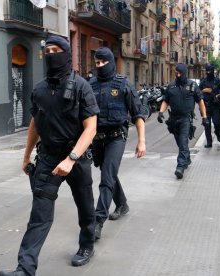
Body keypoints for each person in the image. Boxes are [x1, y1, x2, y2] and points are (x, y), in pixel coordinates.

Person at [0, 35, 100, 276]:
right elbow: (35, 123)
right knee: (39, 216)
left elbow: (91, 128)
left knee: (85, 206)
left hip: (76, 158)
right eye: (49, 50)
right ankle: (25, 269)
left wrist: (72, 158)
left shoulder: (81, 86)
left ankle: (86, 246)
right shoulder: (40, 89)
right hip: (47, 158)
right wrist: (26, 156)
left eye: (57, 50)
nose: (52, 54)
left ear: (66, 53)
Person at [89, 47, 147, 240]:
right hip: (96, 138)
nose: (100, 66)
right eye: (97, 63)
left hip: (116, 137)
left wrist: (141, 142)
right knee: (108, 172)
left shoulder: (123, 85)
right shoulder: (90, 84)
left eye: (103, 62)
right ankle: (122, 204)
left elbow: (138, 115)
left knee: (106, 178)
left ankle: (98, 221)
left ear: (111, 62)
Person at [157, 63, 207, 179]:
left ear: (184, 73)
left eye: (179, 73)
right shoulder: (171, 86)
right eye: (176, 73)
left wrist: (204, 117)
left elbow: (200, 102)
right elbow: (166, 100)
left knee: (183, 141)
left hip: (185, 119)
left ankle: (180, 166)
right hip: (173, 119)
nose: (177, 75)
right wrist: (160, 112)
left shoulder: (192, 85)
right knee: (180, 143)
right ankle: (187, 158)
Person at [199, 64, 220, 148]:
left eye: (210, 71)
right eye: (207, 71)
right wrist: (204, 90)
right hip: (206, 107)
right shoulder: (203, 82)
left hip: (215, 106)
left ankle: (217, 133)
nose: (208, 72)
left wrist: (219, 95)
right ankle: (209, 142)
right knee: (207, 125)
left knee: (217, 123)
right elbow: (197, 93)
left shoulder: (218, 81)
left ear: (213, 71)